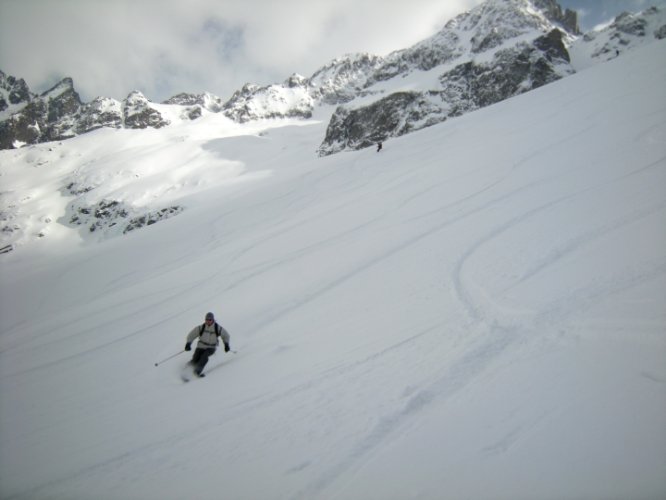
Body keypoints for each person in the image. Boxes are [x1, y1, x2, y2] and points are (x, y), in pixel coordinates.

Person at [184, 312, 231, 377]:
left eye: (210, 320)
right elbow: (192, 334)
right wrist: (188, 343)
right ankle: (184, 370)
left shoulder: (217, 328)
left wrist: (226, 344)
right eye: (206, 320)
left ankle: (197, 372)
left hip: (211, 347)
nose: (208, 321)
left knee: (204, 357)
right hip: (201, 346)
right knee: (195, 359)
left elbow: (226, 335)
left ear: (213, 320)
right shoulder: (201, 327)